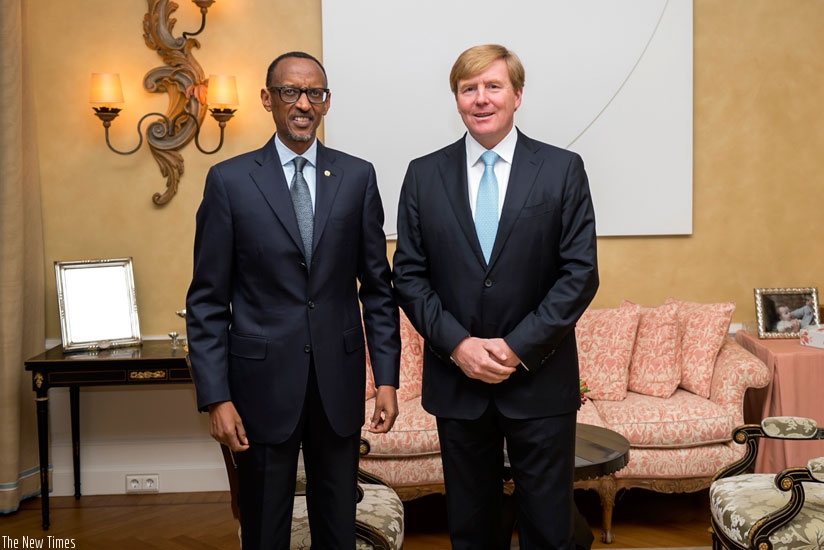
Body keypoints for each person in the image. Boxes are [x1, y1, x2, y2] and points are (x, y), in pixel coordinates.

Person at [185, 51, 401, 549]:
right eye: (290, 92)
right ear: (268, 99)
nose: (303, 104)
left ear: (327, 103)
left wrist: (387, 379)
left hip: (338, 388)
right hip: (260, 389)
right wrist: (216, 396)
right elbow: (207, 302)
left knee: (336, 529)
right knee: (264, 529)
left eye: (315, 94)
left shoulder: (357, 177)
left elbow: (378, 290)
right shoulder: (230, 182)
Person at [392, 44, 599, 549]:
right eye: (469, 89)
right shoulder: (423, 175)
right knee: (472, 528)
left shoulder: (561, 169)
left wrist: (515, 347)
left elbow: (580, 274)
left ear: (517, 95)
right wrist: (459, 346)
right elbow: (409, 276)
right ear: (457, 99)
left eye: (493, 86)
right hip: (457, 384)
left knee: (550, 529)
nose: (480, 99)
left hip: (539, 381)